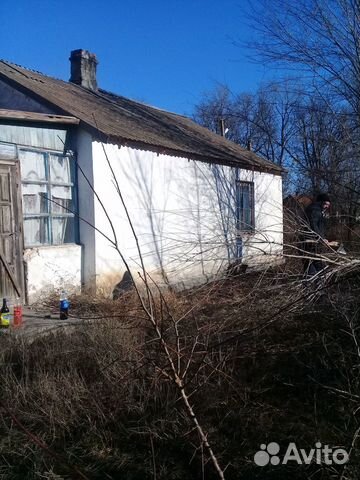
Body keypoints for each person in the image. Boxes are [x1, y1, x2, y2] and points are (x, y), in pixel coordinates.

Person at [303, 193, 331, 276]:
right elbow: (313, 225)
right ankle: (312, 282)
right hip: (311, 240)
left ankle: (315, 281)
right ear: (321, 202)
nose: (327, 207)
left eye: (328, 205)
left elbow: (319, 226)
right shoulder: (314, 210)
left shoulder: (317, 210)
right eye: (326, 204)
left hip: (314, 239)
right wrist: (321, 238)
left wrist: (322, 237)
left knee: (313, 261)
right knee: (312, 261)